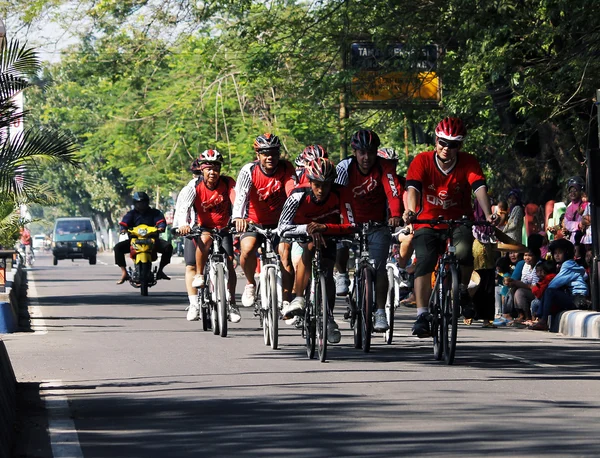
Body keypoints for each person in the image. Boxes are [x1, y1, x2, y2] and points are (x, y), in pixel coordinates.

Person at [403, 117, 497, 337]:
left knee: (465, 252)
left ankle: (462, 290)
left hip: (459, 220)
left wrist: (488, 213)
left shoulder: (468, 162)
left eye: (453, 144)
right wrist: (410, 211)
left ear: (460, 146)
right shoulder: (422, 161)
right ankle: (422, 314)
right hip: (427, 221)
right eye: (442, 142)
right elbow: (413, 188)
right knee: (425, 261)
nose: (446, 148)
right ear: (435, 141)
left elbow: (479, 188)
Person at [278, 158, 355, 343]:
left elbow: (351, 225)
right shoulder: (297, 195)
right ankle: (298, 298)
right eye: (317, 185)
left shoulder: (341, 194)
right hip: (302, 232)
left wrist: (324, 228)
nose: (321, 190)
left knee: (327, 272)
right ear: (310, 182)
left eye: (326, 185)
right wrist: (307, 229)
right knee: (309, 247)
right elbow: (282, 228)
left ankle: (328, 317)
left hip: (328, 232)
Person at [334, 129, 404, 332]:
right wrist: (347, 223)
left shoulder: (385, 167)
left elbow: (393, 193)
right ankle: (341, 274)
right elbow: (342, 196)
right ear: (354, 152)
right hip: (348, 219)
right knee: (339, 244)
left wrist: (395, 214)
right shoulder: (344, 168)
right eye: (362, 153)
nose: (366, 158)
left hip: (377, 223)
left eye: (371, 152)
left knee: (380, 268)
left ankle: (380, 311)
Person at [232, 133, 297, 309]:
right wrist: (238, 217)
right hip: (253, 221)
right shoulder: (249, 170)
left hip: (280, 222)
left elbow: (292, 191)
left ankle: (285, 300)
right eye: (265, 153)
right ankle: (250, 283)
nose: (270, 157)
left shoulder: (286, 168)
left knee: (285, 256)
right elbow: (241, 195)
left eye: (274, 153)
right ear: (258, 155)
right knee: (247, 249)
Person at [175, 150, 240, 323]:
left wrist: (240, 218)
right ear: (202, 170)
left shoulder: (228, 183)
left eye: (216, 167)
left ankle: (232, 303)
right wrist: (183, 224)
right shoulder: (193, 186)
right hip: (199, 228)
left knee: (229, 263)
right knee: (192, 263)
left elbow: (237, 200)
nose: (212, 172)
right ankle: (194, 303)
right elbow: (184, 208)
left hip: (223, 228)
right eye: (208, 168)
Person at [529, 238, 588, 331]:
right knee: (550, 291)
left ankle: (542, 320)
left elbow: (554, 284)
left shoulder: (568, 264)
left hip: (577, 298)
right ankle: (540, 319)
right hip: (573, 297)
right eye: (555, 253)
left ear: (567, 253)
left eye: (560, 253)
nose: (556, 255)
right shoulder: (569, 264)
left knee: (550, 291)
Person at [114, 191, 173, 284]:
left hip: (152, 240)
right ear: (135, 203)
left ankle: (160, 271)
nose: (141, 205)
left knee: (168, 247)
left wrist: (161, 227)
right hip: (134, 241)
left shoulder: (155, 213)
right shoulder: (131, 214)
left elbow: (161, 222)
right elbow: (124, 223)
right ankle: (124, 272)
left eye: (143, 202)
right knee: (118, 248)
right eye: (139, 203)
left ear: (147, 202)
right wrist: (123, 229)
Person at [173, 158, 203, 319]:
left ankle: (226, 300)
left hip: (215, 230)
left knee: (227, 260)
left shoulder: (220, 185)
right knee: (190, 265)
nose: (199, 176)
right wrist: (180, 226)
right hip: (193, 231)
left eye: (201, 172)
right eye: (196, 173)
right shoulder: (189, 189)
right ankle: (194, 304)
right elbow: (181, 211)